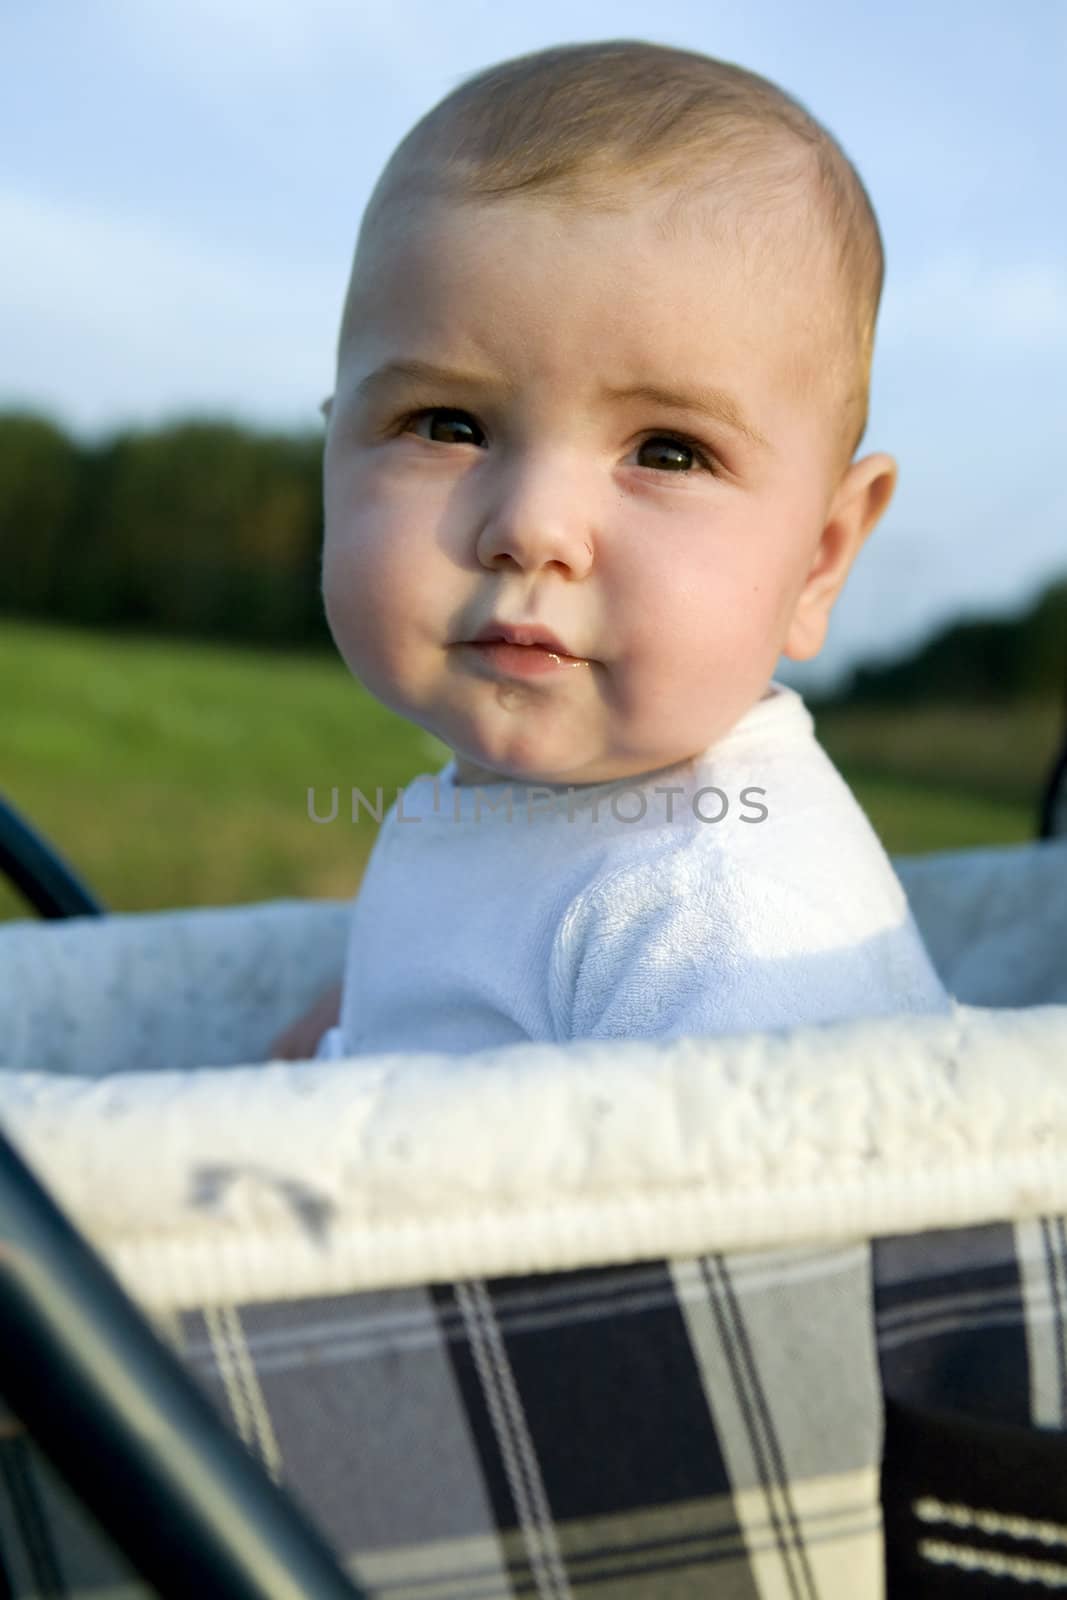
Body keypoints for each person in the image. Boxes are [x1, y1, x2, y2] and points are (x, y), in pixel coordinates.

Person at [270, 37, 951, 1062]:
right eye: (448, 425)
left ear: (819, 556)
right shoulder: (526, 813)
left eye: (666, 450)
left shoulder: (721, 914)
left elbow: (739, 1214)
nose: (532, 528)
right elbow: (427, 991)